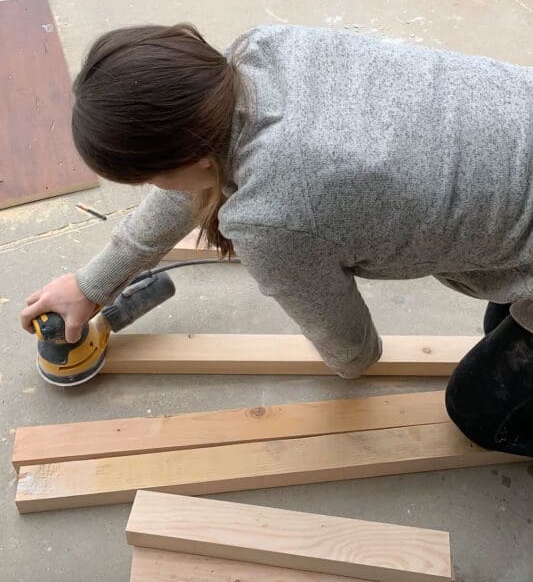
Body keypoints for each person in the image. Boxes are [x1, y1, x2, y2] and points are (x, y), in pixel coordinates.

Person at [21, 23, 533, 457]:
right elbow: (193, 173)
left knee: (478, 409)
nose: (157, 190)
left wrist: (340, 352)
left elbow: (355, 355)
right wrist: (92, 284)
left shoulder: (275, 217)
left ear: (187, 162)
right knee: (498, 316)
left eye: (152, 179)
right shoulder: (261, 51)